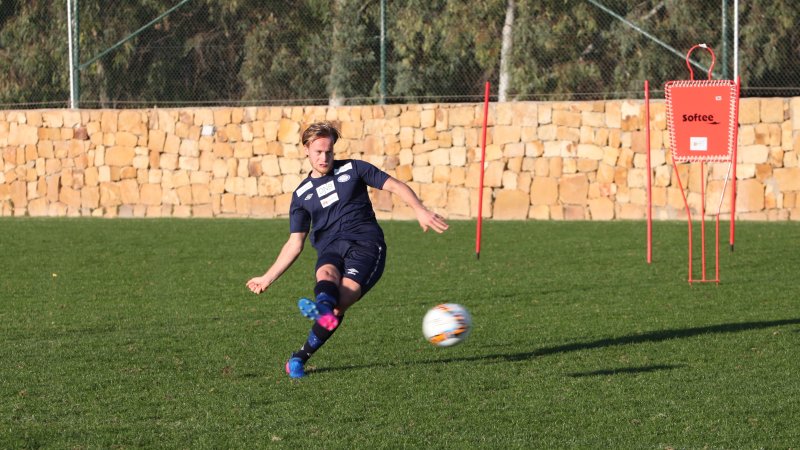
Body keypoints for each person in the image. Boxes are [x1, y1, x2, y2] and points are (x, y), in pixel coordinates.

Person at [246, 121, 449, 378]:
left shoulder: (354, 169)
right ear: (306, 150)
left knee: (340, 303)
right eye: (318, 152)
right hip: (330, 248)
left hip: (366, 245)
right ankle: (319, 315)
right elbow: (294, 243)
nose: (324, 157)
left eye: (329, 151)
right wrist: (267, 277)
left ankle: (300, 355)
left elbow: (395, 185)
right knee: (326, 274)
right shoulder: (302, 195)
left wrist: (420, 210)